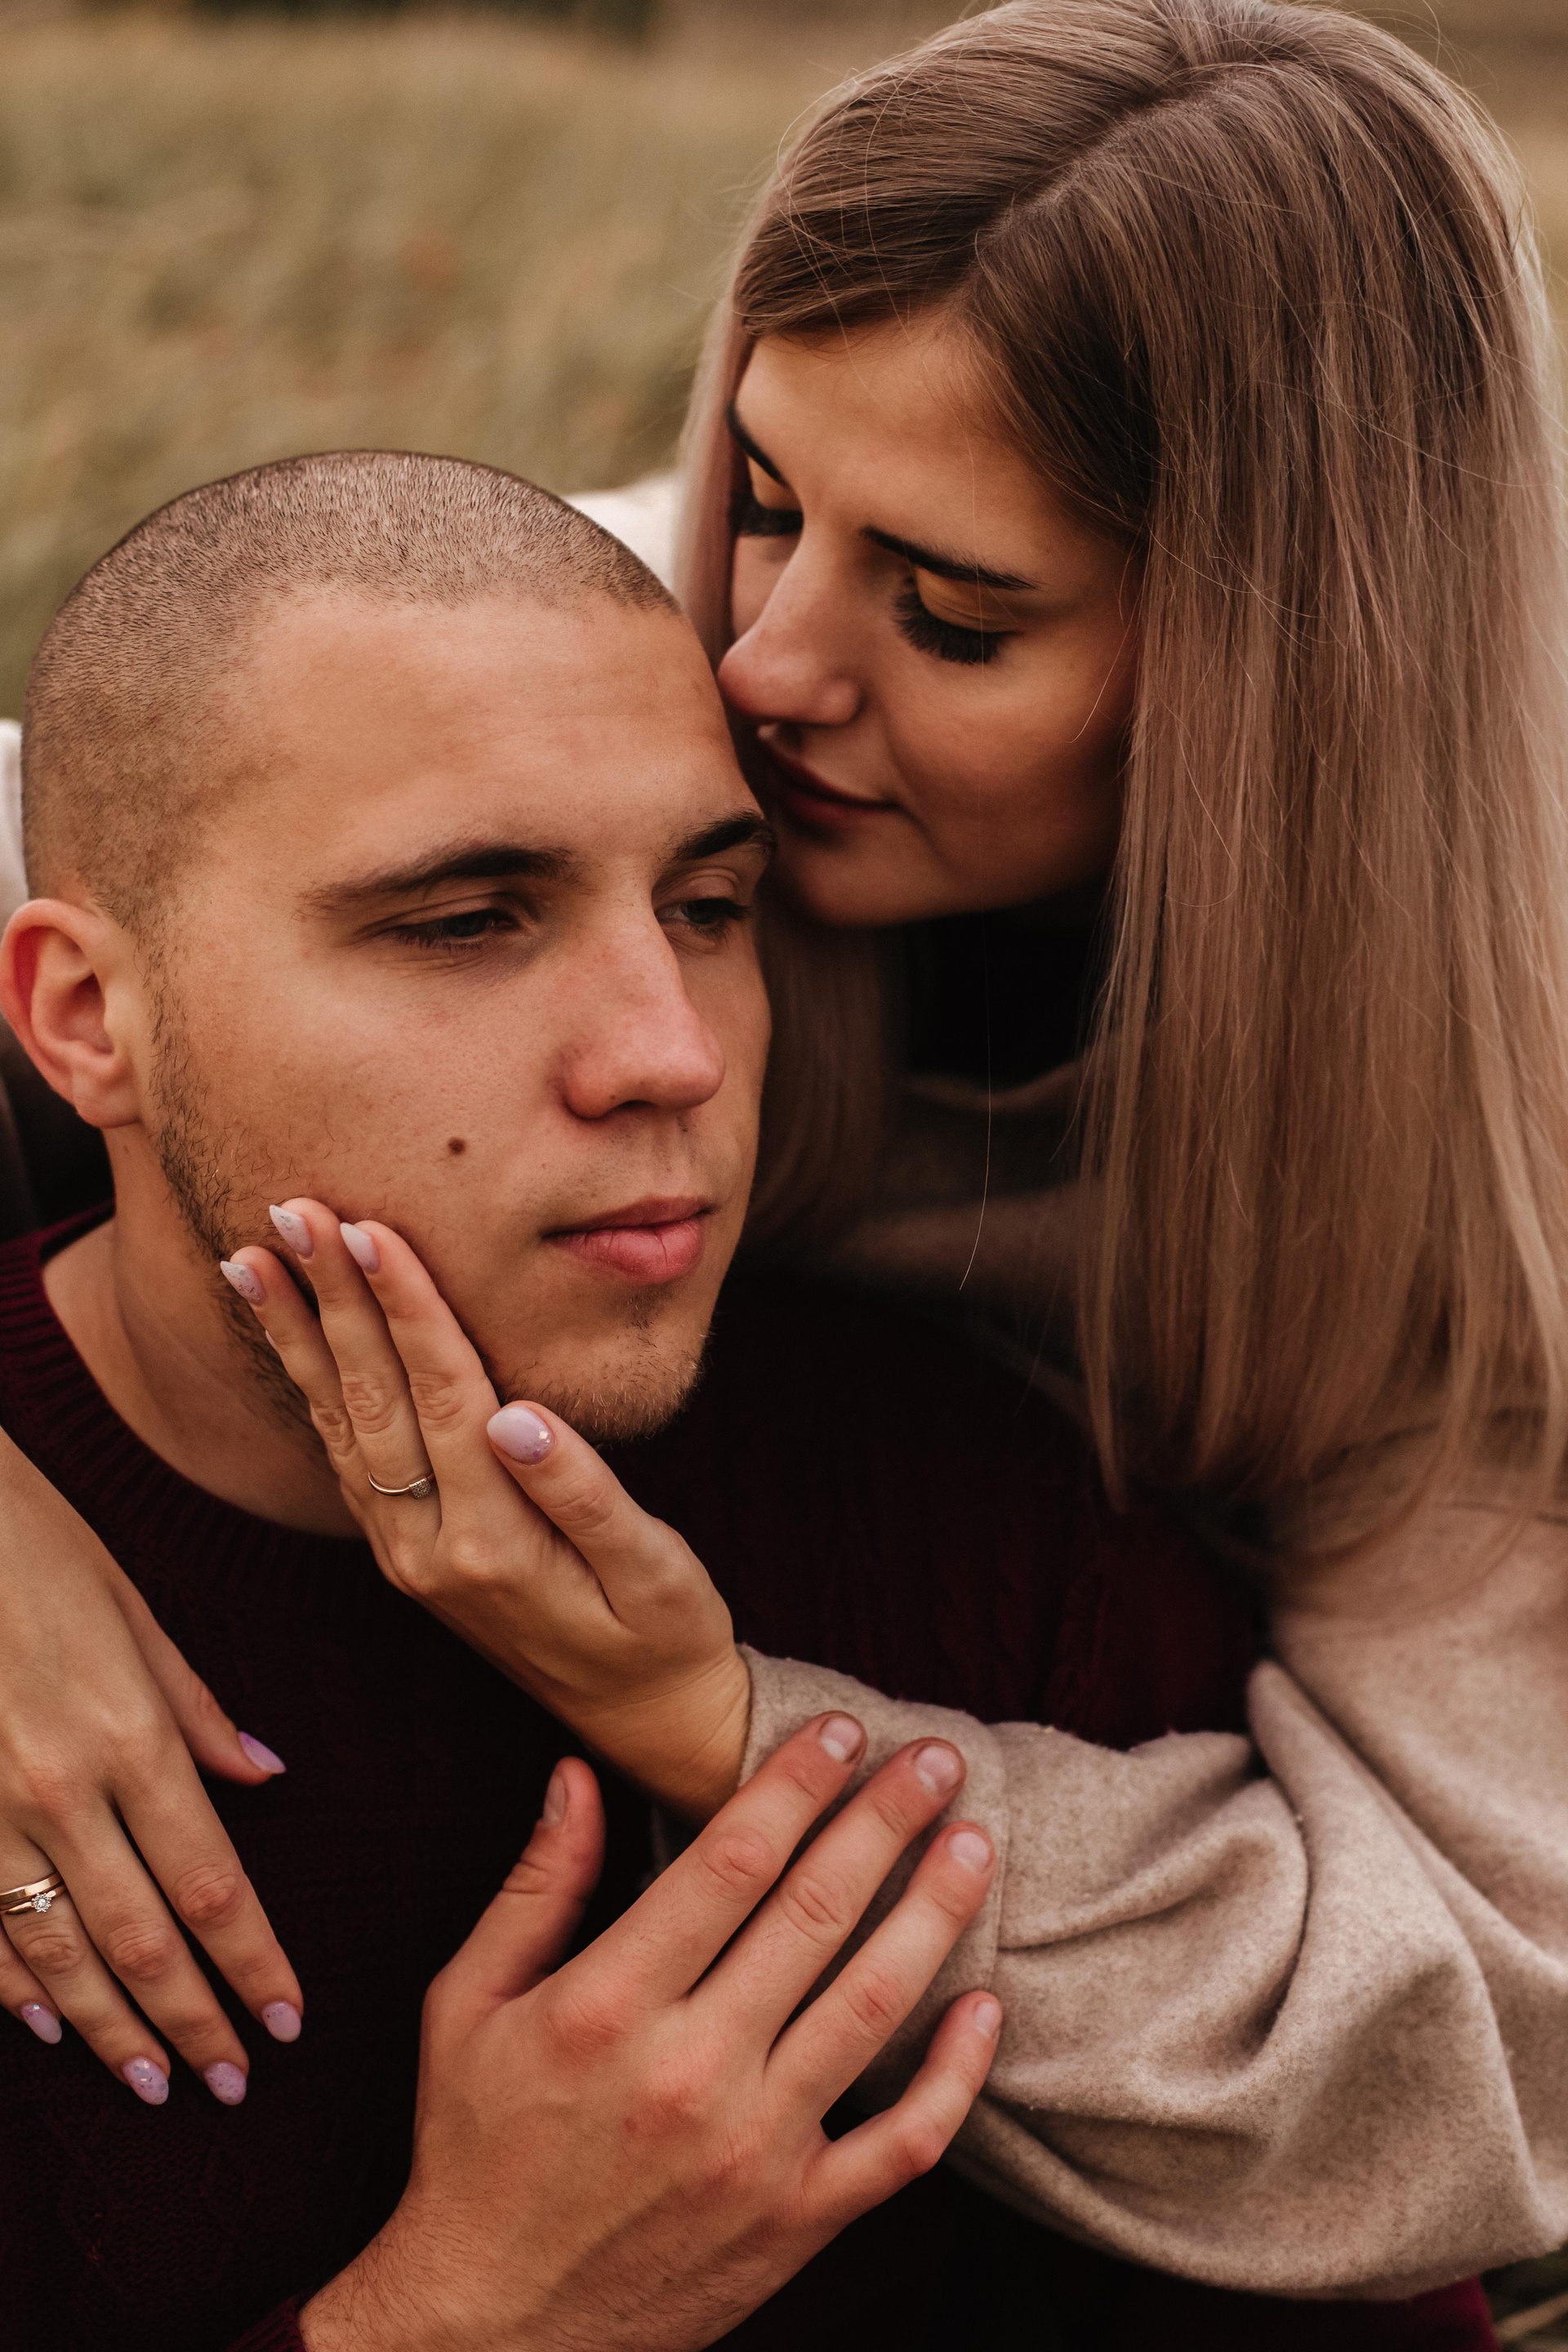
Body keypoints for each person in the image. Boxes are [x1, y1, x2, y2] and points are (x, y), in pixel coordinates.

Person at [0, 0, 1564, 2323]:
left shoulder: (1462, 1171)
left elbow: (1482, 2047)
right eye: (758, 494)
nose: (754, 665)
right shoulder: (582, 674)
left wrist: (721, 1730)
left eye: (953, 614)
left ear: (1284, 686)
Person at [0, 451, 1013, 2347]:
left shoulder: (972, 1510)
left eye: (710, 905)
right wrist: (459, 2322)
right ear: (84, 1020)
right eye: (468, 920)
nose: (670, 1053)